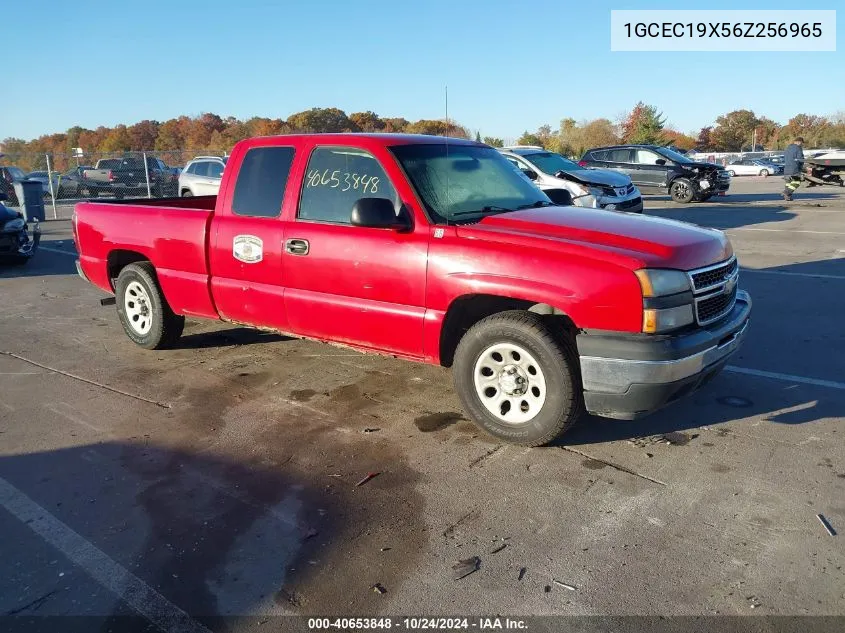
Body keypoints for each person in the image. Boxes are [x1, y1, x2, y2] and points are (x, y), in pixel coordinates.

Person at [782, 136, 805, 201]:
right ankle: (786, 192)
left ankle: (787, 197)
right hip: (794, 169)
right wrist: (801, 168)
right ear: (799, 142)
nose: (802, 145)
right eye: (802, 143)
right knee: (797, 182)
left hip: (786, 169)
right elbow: (800, 159)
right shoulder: (798, 148)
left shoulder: (788, 148)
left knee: (788, 182)